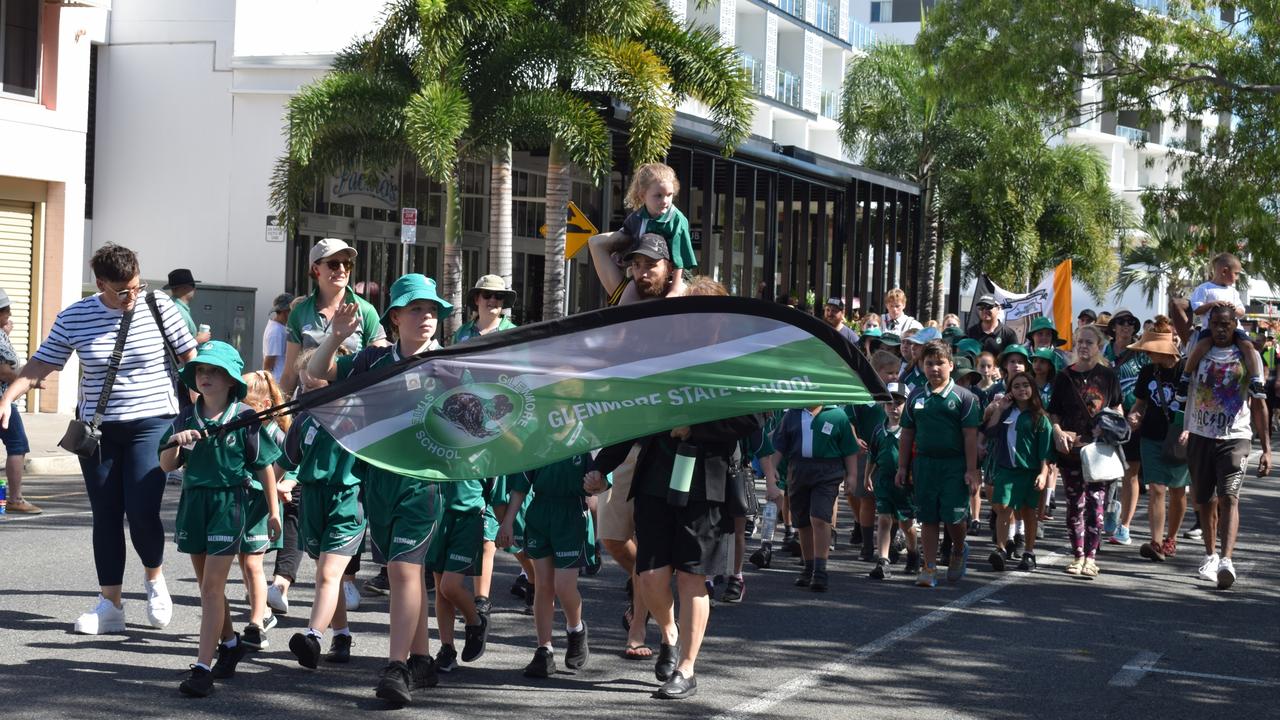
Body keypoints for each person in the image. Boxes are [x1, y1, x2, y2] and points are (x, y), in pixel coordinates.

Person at [0, 244, 197, 633]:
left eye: (136, 287)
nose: (131, 297)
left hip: (152, 422)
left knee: (141, 509)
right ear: (99, 283)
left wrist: (208, 414)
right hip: (98, 430)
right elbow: (43, 363)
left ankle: (155, 580)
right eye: (122, 291)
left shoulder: (160, 307)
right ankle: (111, 605)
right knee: (106, 515)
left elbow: (192, 360)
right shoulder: (77, 316)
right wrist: (7, 398)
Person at [308, 273, 450, 706]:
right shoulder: (373, 360)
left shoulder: (452, 364)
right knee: (402, 573)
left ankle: (396, 667)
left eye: (432, 310)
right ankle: (423, 661)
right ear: (394, 318)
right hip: (377, 484)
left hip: (424, 484)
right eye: (416, 309)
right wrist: (334, 338)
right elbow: (316, 376)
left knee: (404, 573)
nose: (426, 317)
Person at [593, 411, 761, 700]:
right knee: (650, 576)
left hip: (707, 486)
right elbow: (635, 414)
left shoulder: (730, 368)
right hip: (653, 484)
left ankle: (686, 669)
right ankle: (670, 632)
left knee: (691, 576)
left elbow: (753, 419)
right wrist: (600, 467)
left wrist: (696, 427)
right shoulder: (659, 366)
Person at [584, 231, 688, 659]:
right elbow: (594, 246)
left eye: (652, 264)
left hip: (666, 449)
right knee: (611, 538)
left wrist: (679, 278)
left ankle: (641, 630)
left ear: (669, 269)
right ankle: (649, 586)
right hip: (623, 438)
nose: (644, 271)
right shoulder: (624, 295)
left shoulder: (683, 303)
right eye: (637, 263)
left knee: (650, 543)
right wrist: (630, 230)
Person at [159, 341, 281, 697]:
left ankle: (201, 667)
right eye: (201, 370)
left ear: (231, 380)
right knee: (206, 588)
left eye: (215, 371)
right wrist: (175, 444)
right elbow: (166, 466)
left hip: (231, 504)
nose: (206, 376)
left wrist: (273, 511)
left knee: (213, 588)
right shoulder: (184, 416)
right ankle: (229, 644)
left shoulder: (245, 417)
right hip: (194, 503)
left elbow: (264, 469)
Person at [281, 349, 363, 669]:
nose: (307, 395)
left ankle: (313, 636)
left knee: (329, 573)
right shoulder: (303, 419)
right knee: (326, 575)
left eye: (315, 387)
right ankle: (341, 635)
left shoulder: (359, 416)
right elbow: (286, 462)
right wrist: (275, 489)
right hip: (311, 500)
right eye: (304, 388)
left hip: (347, 499)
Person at [1181, 305, 1271, 589]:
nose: (1220, 329)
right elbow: (1179, 309)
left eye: (1226, 324)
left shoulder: (1247, 354)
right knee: (1205, 499)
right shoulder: (1199, 348)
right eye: (1216, 324)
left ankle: (1227, 560)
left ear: (1235, 325)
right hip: (1200, 434)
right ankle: (1210, 555)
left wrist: (1267, 448)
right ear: (1210, 324)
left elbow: (1259, 405)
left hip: (1235, 436)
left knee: (1230, 496)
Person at [499, 453, 606, 678]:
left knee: (564, 586)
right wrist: (508, 521)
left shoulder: (586, 437)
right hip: (540, 512)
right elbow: (520, 486)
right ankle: (544, 650)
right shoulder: (539, 436)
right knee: (543, 585)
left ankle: (576, 630)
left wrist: (598, 482)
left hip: (571, 514)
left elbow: (602, 480)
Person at [452, 274, 519, 619]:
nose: (494, 302)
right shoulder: (461, 334)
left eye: (500, 297)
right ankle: (482, 600)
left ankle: (541, 584)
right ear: (476, 299)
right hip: (468, 434)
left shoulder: (515, 331)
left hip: (503, 432)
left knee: (515, 525)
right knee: (488, 520)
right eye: (488, 296)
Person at [896, 340, 982, 587]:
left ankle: (957, 549)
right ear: (922, 365)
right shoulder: (915, 395)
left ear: (951, 365)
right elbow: (907, 433)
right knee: (928, 517)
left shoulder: (964, 397)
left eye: (940, 363)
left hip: (954, 466)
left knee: (955, 518)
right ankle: (929, 567)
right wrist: (903, 467)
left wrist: (972, 470)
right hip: (924, 465)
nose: (934, 368)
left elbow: (970, 436)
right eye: (929, 363)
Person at [1048, 324, 1122, 578]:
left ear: (1099, 347)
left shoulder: (1108, 376)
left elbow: (1117, 409)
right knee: (1074, 504)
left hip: (1098, 452)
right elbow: (1053, 411)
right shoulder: (1064, 376)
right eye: (1079, 342)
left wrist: (1111, 428)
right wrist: (1058, 432)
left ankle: (1091, 557)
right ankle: (1077, 554)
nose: (1083, 346)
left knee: (1095, 504)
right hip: (1071, 452)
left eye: (1089, 342)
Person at [281, 238, 387, 395]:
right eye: (334, 264)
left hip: (352, 405)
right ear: (316, 269)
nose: (342, 269)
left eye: (347, 264)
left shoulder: (366, 310)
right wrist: (280, 416)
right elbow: (290, 373)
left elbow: (380, 366)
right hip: (312, 406)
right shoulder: (299, 313)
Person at [772, 403, 860, 592]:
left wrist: (852, 476)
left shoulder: (837, 415)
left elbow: (849, 448)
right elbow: (780, 444)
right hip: (798, 470)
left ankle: (820, 570)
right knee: (802, 521)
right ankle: (809, 566)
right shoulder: (792, 414)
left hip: (828, 471)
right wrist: (771, 468)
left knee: (819, 517)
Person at [1126, 316, 1190, 562]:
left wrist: (1190, 429)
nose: (1147, 353)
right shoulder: (1147, 370)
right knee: (1156, 488)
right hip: (1150, 436)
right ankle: (1155, 542)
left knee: (1177, 490)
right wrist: (1134, 416)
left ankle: (1170, 539)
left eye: (1151, 349)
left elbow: (1195, 404)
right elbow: (1140, 404)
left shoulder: (1186, 369)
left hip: (1178, 437)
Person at [236, 370, 291, 651]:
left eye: (247, 405)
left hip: (261, 506)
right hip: (240, 503)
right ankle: (264, 613)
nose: (240, 411)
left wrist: (284, 488)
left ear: (266, 405)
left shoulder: (277, 434)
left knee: (253, 563)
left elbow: (293, 467)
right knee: (244, 562)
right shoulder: (242, 428)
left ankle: (256, 624)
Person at [594, 163, 695, 304]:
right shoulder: (636, 218)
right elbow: (626, 239)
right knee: (626, 301)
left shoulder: (677, 220)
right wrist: (618, 255)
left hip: (676, 275)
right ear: (642, 196)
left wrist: (675, 288)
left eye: (669, 195)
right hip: (644, 275)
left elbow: (680, 258)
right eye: (658, 196)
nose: (665, 201)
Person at [984, 371, 1055, 572]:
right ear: (1010, 391)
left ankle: (1029, 552)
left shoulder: (1040, 417)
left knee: (1027, 511)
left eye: (1025, 385)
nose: (1021, 389)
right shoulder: (1006, 412)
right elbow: (989, 432)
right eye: (1016, 386)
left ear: (1032, 388)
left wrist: (1042, 473)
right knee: (1003, 507)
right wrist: (999, 409)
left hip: (1030, 472)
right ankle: (1000, 548)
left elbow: (1045, 451)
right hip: (1006, 469)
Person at [1180, 252, 1266, 399]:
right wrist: (1212, 304)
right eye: (1236, 274)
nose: (1237, 278)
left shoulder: (1233, 292)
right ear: (1224, 271)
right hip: (1210, 330)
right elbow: (1197, 309)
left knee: (1249, 347)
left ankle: (1255, 380)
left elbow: (1241, 311)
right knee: (1199, 347)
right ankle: (1185, 378)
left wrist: (1233, 308)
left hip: (1234, 330)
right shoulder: (1204, 288)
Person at [1103, 310, 1149, 546]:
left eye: (1131, 323)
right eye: (1121, 322)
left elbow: (1151, 385)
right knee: (1104, 472)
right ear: (1113, 327)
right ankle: (1109, 510)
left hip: (1133, 421)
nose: (1125, 326)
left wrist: (1139, 413)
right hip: (1105, 419)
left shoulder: (1141, 353)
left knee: (1131, 472)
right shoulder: (1103, 350)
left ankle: (1125, 526)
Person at [865, 383, 919, 579]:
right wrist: (867, 476)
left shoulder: (910, 430)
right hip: (884, 482)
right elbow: (872, 455)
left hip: (905, 484)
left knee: (906, 523)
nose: (893, 407)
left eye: (898, 402)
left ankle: (914, 553)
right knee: (884, 518)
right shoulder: (879, 430)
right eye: (888, 403)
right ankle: (884, 560)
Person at [0, 289, 38, 513]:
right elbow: (3, 371)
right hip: (3, 400)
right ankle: (14, 498)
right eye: (5, 311)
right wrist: (26, 381)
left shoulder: (2, 333)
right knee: (17, 445)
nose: (10, 314)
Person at [164, 269, 213, 344]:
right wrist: (198, 339)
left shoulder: (173, 306)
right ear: (184, 287)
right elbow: (178, 345)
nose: (194, 289)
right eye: (193, 285)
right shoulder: (178, 311)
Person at [262, 293, 293, 383]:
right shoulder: (276, 331)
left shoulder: (281, 328)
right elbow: (269, 362)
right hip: (278, 381)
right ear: (285, 311)